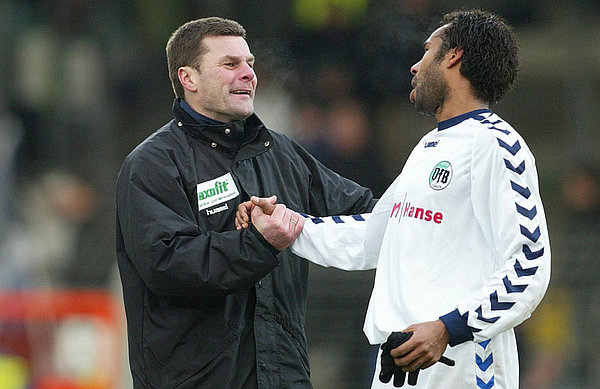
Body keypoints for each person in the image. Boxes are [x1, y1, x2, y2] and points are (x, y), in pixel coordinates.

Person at [242, 9, 551, 389]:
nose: (415, 66)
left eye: (427, 52)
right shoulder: (428, 146)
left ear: (453, 57)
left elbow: (529, 264)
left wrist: (447, 329)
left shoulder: (497, 145)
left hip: (462, 363)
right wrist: (290, 227)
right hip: (399, 362)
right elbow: (377, 234)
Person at [115, 17, 376, 389]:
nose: (248, 74)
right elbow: (167, 265)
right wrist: (257, 242)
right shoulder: (152, 165)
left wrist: (434, 207)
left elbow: (365, 209)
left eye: (250, 63)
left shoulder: (281, 153)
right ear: (188, 79)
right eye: (230, 64)